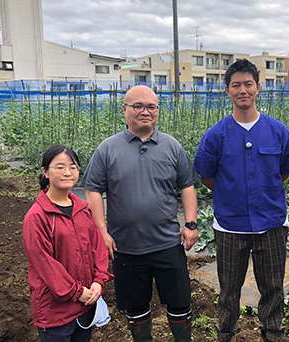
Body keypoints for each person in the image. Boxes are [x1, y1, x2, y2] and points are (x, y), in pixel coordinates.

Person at [80, 85, 200, 342]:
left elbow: (187, 185)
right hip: (126, 246)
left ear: (158, 111)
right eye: (138, 106)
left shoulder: (172, 146)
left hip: (168, 243)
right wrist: (101, 231)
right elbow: (92, 191)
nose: (145, 111)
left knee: (179, 303)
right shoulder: (108, 149)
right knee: (136, 307)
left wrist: (190, 223)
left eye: (151, 107)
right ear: (124, 110)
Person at [194, 59, 289, 342]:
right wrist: (233, 195)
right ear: (227, 90)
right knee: (229, 291)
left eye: (248, 84)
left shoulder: (277, 130)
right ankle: (226, 334)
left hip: (272, 224)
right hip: (231, 226)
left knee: (273, 289)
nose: (243, 90)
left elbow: (286, 172)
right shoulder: (215, 135)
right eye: (236, 85)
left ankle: (273, 335)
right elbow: (207, 177)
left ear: (258, 87)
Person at [22, 144, 113, 342]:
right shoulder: (37, 216)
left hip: (85, 303)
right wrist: (76, 292)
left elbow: (97, 248)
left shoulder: (82, 209)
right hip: (56, 310)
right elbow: (44, 263)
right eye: (60, 167)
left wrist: (99, 280)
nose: (67, 172)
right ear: (45, 171)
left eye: (73, 167)